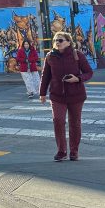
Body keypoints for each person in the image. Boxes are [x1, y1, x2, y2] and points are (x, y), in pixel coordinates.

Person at [39, 31, 93, 161]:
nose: (57, 42)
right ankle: (61, 151)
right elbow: (45, 76)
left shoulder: (77, 55)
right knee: (58, 121)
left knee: (75, 123)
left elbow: (89, 72)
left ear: (69, 42)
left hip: (76, 95)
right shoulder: (50, 56)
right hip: (57, 96)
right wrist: (42, 93)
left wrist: (78, 78)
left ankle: (74, 151)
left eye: (61, 40)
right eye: (56, 40)